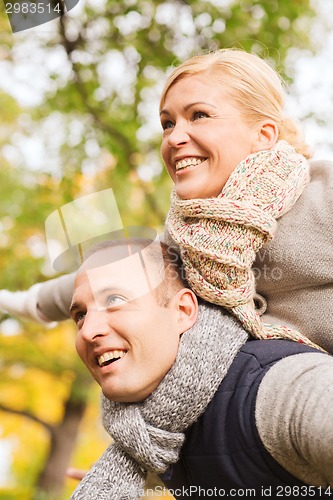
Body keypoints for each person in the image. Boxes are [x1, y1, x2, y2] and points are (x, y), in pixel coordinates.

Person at [0, 48, 332, 354]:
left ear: (263, 135)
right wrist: (16, 302)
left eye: (199, 115)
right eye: (167, 123)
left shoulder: (323, 194)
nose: (174, 138)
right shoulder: (185, 239)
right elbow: (96, 280)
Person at [67, 237, 333, 499]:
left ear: (182, 311)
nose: (88, 331)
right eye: (81, 315)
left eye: (114, 300)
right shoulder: (155, 434)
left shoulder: (280, 392)